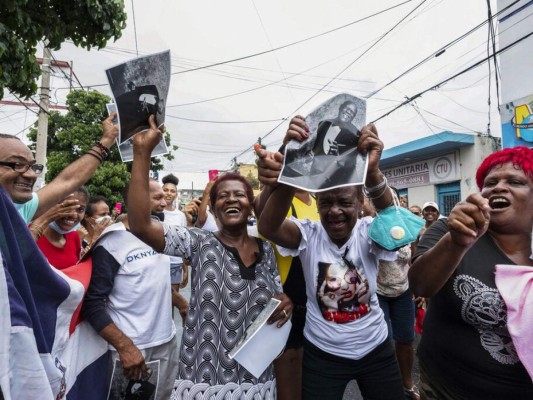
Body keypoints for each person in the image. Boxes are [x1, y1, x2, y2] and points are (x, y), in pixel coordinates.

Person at [126, 116, 292, 399]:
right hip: (204, 378)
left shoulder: (266, 250)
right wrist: (142, 153)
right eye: (222, 196)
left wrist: (285, 302)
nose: (231, 199)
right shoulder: (197, 242)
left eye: (239, 195)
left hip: (256, 378)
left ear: (251, 208)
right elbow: (141, 225)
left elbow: (277, 296)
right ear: (213, 209)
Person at [256, 117, 404, 400]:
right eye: (326, 203)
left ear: (361, 203)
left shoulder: (368, 232)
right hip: (323, 355)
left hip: (376, 349)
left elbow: (398, 233)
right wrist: (293, 167)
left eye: (345, 202)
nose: (335, 211)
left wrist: (372, 173)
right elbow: (268, 227)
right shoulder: (309, 235)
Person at [409, 146, 533, 399]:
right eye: (490, 182)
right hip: (444, 387)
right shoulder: (449, 228)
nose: (498, 187)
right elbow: (419, 285)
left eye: (515, 181)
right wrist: (456, 243)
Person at [82, 178, 179, 400]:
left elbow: (153, 280)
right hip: (133, 349)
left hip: (165, 341)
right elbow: (93, 303)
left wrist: (180, 302)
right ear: (135, 200)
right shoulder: (111, 241)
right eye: (157, 198)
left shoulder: (161, 234)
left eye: (164, 197)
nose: (164, 203)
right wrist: (125, 347)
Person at [0, 113, 118, 223]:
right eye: (17, 164)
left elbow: (68, 181)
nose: (31, 175)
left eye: (31, 166)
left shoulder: (18, 210)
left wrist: (107, 141)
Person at [33, 187, 88, 270]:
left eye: (80, 209)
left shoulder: (74, 237)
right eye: (67, 206)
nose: (73, 214)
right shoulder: (31, 235)